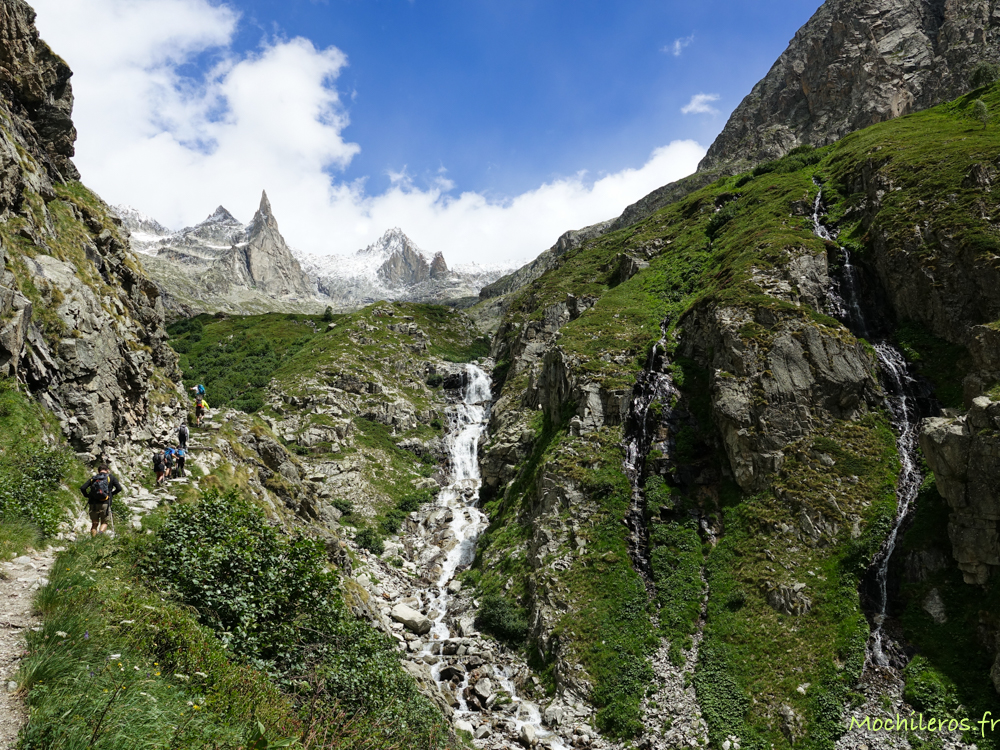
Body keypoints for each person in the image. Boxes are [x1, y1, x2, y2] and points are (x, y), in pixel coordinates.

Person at [80, 465, 122, 537]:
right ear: (107, 470)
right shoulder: (111, 477)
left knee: (94, 523)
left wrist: (87, 495)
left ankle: (93, 539)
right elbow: (119, 488)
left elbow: (82, 488)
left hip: (93, 503)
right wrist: (111, 494)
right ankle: (100, 533)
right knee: (104, 522)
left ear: (98, 471)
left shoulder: (93, 478)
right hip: (105, 503)